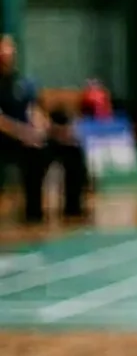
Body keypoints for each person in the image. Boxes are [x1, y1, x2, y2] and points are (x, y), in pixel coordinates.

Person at [0, 35, 90, 223]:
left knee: (72, 148)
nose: (7, 53)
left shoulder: (19, 81)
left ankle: (73, 208)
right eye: (3, 49)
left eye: (10, 49)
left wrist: (54, 131)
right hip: (8, 137)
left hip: (28, 133)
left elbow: (33, 110)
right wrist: (24, 133)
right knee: (36, 153)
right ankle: (33, 211)